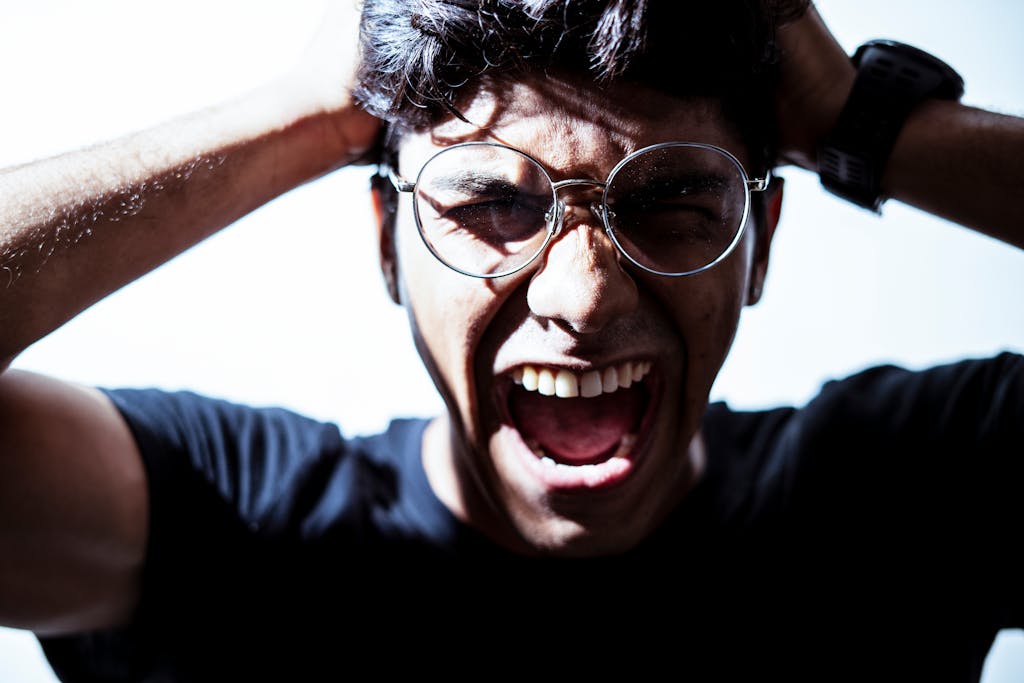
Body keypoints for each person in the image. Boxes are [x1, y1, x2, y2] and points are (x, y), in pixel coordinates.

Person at [1, 1, 1021, 680]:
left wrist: (864, 119)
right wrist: (306, 113)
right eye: (488, 200)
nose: (582, 297)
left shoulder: (902, 493)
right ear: (388, 245)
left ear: (760, 247)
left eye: (670, 197)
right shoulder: (242, 524)